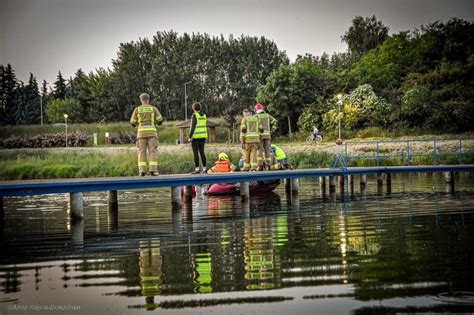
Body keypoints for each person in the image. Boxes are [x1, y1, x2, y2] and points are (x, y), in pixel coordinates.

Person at [130, 93, 163, 176]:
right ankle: (153, 170)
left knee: (141, 152)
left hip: (141, 134)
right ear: (148, 100)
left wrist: (137, 124)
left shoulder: (137, 109)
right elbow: (160, 120)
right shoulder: (153, 109)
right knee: (153, 151)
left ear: (141, 100)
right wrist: (156, 123)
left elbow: (132, 122)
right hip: (152, 133)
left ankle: (142, 171)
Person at [254, 104, 277, 171]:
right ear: (263, 109)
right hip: (267, 136)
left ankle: (260, 166)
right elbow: (275, 121)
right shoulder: (267, 115)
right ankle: (269, 165)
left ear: (256, 109)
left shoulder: (256, 116)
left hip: (259, 136)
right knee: (267, 151)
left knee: (259, 151)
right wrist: (272, 130)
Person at [188, 102, 208, 174]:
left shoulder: (194, 115)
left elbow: (193, 127)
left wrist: (190, 137)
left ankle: (197, 169)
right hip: (203, 136)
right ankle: (205, 169)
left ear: (193, 108)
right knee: (202, 152)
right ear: (200, 108)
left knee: (196, 153)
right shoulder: (204, 115)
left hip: (196, 137)